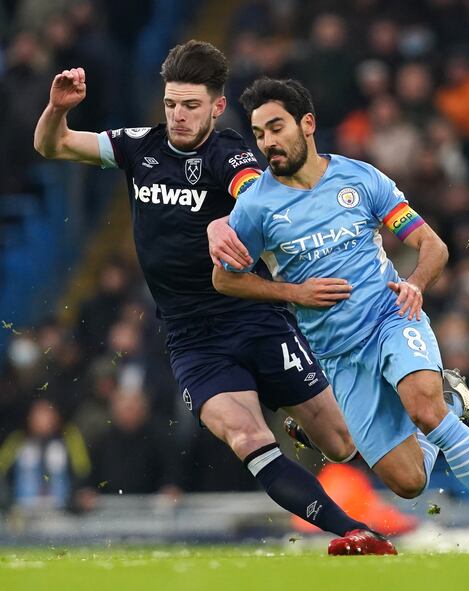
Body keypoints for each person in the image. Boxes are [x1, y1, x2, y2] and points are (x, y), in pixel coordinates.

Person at [34, 39, 395, 555]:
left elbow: (255, 194)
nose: (178, 116)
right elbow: (53, 145)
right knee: (248, 439)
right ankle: (360, 536)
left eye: (191, 106)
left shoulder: (233, 154)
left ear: (217, 107)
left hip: (256, 318)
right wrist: (57, 110)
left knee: (342, 445)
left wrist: (230, 220)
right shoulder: (140, 147)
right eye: (170, 104)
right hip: (193, 339)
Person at [209, 78, 469, 554]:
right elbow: (224, 279)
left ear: (308, 124)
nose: (268, 143)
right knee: (408, 483)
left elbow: (432, 245)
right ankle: (455, 403)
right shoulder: (255, 206)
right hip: (337, 356)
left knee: (424, 409)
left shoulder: (361, 180)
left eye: (276, 128)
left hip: (390, 316)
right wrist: (291, 291)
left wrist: (416, 284)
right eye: (259, 134)